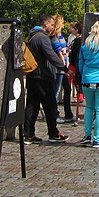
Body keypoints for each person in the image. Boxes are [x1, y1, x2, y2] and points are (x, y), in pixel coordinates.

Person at [24, 15, 70, 145]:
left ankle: (28, 133)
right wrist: (64, 69)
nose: (52, 27)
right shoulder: (42, 38)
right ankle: (53, 133)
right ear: (45, 24)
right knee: (50, 105)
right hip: (43, 76)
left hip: (32, 75)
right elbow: (51, 55)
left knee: (32, 105)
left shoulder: (31, 36)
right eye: (51, 25)